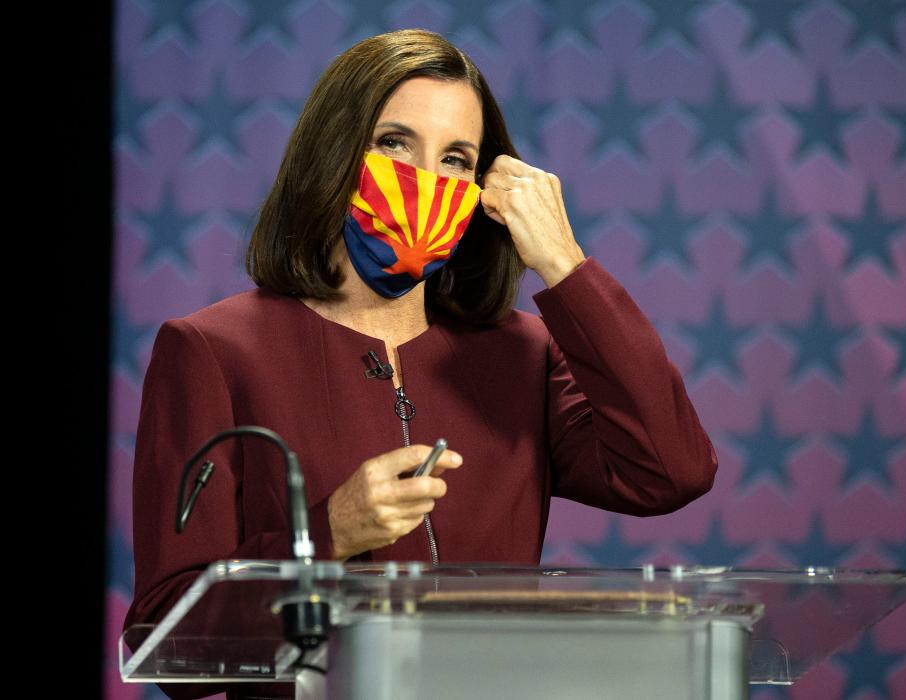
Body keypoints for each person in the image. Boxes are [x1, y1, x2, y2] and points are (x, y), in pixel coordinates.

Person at [124, 28, 717, 697]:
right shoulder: (214, 350)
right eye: (394, 143)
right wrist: (327, 533)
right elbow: (168, 647)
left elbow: (671, 472)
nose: (424, 180)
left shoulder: (522, 355)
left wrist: (563, 263)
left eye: (456, 159)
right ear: (335, 151)